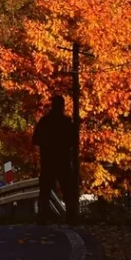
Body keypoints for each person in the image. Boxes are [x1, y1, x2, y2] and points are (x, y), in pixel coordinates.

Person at [32, 96, 77, 224]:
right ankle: (71, 218)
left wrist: (46, 144)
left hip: (48, 161)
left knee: (45, 191)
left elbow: (35, 139)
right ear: (62, 106)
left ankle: (42, 217)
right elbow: (74, 141)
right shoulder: (66, 122)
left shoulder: (45, 121)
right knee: (67, 191)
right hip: (63, 160)